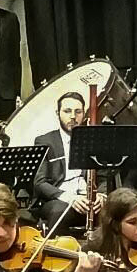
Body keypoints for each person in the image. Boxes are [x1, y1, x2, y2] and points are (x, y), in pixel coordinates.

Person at [33, 92, 106, 231]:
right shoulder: (45, 141)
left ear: (84, 114)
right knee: (59, 212)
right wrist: (70, 198)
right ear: (58, 113)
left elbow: (103, 176)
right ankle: (56, 245)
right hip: (59, 199)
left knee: (116, 210)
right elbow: (40, 183)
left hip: (88, 198)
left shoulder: (92, 141)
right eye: (67, 111)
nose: (73, 116)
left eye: (78, 112)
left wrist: (101, 195)